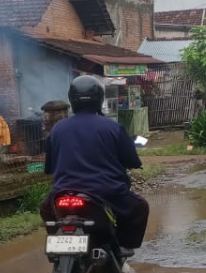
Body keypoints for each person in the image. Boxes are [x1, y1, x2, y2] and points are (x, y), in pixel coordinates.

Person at [40, 75, 150, 250]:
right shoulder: (113, 127)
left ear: (72, 99)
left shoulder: (57, 129)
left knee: (45, 209)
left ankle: (59, 243)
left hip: (63, 193)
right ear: (100, 98)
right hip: (106, 193)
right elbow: (132, 160)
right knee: (140, 208)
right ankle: (123, 249)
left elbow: (49, 167)